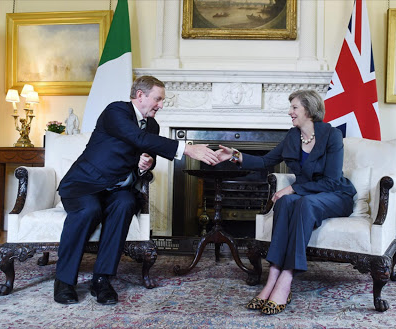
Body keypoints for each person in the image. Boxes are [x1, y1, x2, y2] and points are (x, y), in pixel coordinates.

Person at [54, 76, 219, 305]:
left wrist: (145, 164)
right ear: (140, 95)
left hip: (116, 189)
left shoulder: (152, 125)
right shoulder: (116, 111)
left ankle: (102, 279)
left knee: (125, 203)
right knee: (89, 210)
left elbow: (146, 155)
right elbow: (136, 137)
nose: (161, 105)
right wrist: (187, 149)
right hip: (85, 185)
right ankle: (64, 281)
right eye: (158, 99)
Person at [214, 90, 356, 315]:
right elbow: (265, 161)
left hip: (336, 195)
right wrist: (235, 155)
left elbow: (331, 181)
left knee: (301, 203)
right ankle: (272, 277)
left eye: (294, 108)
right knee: (284, 203)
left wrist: (292, 188)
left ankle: (287, 278)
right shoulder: (292, 137)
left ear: (308, 110)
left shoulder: (332, 135)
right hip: (307, 195)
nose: (290, 112)